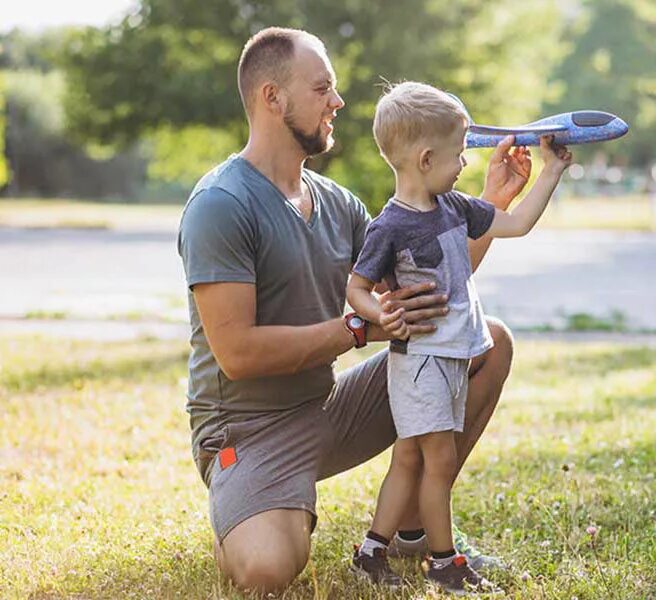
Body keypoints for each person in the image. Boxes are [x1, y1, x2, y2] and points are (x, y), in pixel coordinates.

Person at [176, 27, 532, 595]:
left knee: (487, 344)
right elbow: (237, 353)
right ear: (273, 98)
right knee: (267, 571)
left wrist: (491, 204)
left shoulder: (338, 203)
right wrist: (357, 327)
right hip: (247, 429)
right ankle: (245, 507)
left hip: (326, 407)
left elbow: (431, 287)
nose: (338, 102)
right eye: (323, 89)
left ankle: (415, 534)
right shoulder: (221, 205)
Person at [345, 82, 572, 593]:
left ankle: (372, 552)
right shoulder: (390, 226)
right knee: (438, 463)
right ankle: (445, 562)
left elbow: (514, 223)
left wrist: (552, 172)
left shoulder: (455, 207)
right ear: (426, 158)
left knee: (409, 458)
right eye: (459, 152)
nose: (465, 163)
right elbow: (356, 288)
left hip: (449, 357)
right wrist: (379, 310)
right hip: (421, 361)